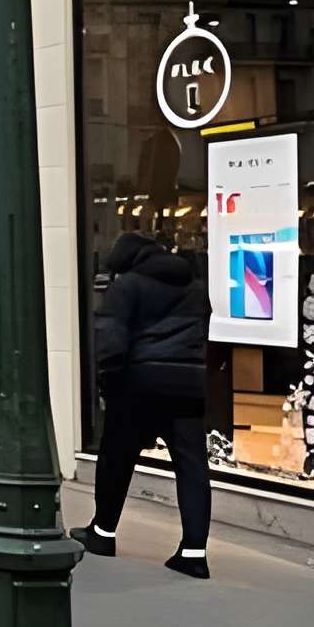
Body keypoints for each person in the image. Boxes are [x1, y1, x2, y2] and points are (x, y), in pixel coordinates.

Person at [79, 232, 215, 577]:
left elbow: (111, 342)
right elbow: (204, 331)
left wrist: (107, 385)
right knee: (192, 465)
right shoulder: (194, 285)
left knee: (116, 459)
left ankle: (102, 532)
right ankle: (194, 552)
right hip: (186, 384)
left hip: (137, 385)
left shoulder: (127, 288)